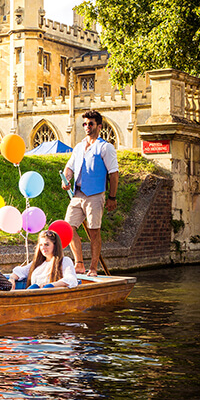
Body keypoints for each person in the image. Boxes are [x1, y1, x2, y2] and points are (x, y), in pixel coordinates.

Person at [61, 110, 119, 277]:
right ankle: (79, 263)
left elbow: (113, 174)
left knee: (94, 231)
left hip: (95, 194)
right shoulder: (79, 147)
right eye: (85, 124)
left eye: (90, 124)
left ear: (99, 126)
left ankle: (93, 268)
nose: (87, 126)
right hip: (77, 194)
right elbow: (70, 167)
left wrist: (112, 197)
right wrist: (66, 179)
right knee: (67, 228)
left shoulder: (105, 147)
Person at [8, 230, 78, 289]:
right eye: (41, 245)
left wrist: (51, 285)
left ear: (55, 245)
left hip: (51, 296)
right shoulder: (37, 263)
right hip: (34, 294)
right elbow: (20, 271)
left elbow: (71, 279)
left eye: (47, 244)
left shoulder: (64, 261)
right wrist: (12, 279)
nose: (43, 247)